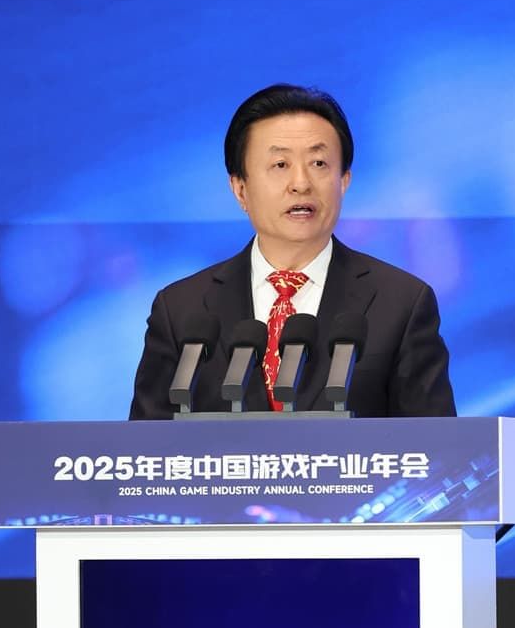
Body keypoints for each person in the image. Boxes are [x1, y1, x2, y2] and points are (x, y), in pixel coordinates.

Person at [129, 84, 455, 419]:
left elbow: (437, 441)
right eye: (280, 164)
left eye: (318, 163)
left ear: (344, 181)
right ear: (240, 189)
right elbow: (144, 446)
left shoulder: (403, 303)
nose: (301, 183)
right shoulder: (180, 310)